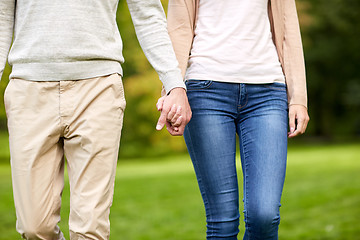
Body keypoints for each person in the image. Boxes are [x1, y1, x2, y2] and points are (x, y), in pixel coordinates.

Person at [0, 0, 191, 239]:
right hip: (29, 89)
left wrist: (174, 83)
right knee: (35, 227)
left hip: (98, 87)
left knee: (90, 229)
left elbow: (148, 14)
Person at [157, 0, 310, 239]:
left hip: (268, 90)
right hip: (205, 90)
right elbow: (178, 28)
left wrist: (298, 97)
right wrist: (172, 90)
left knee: (265, 215)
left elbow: (288, 26)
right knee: (222, 220)